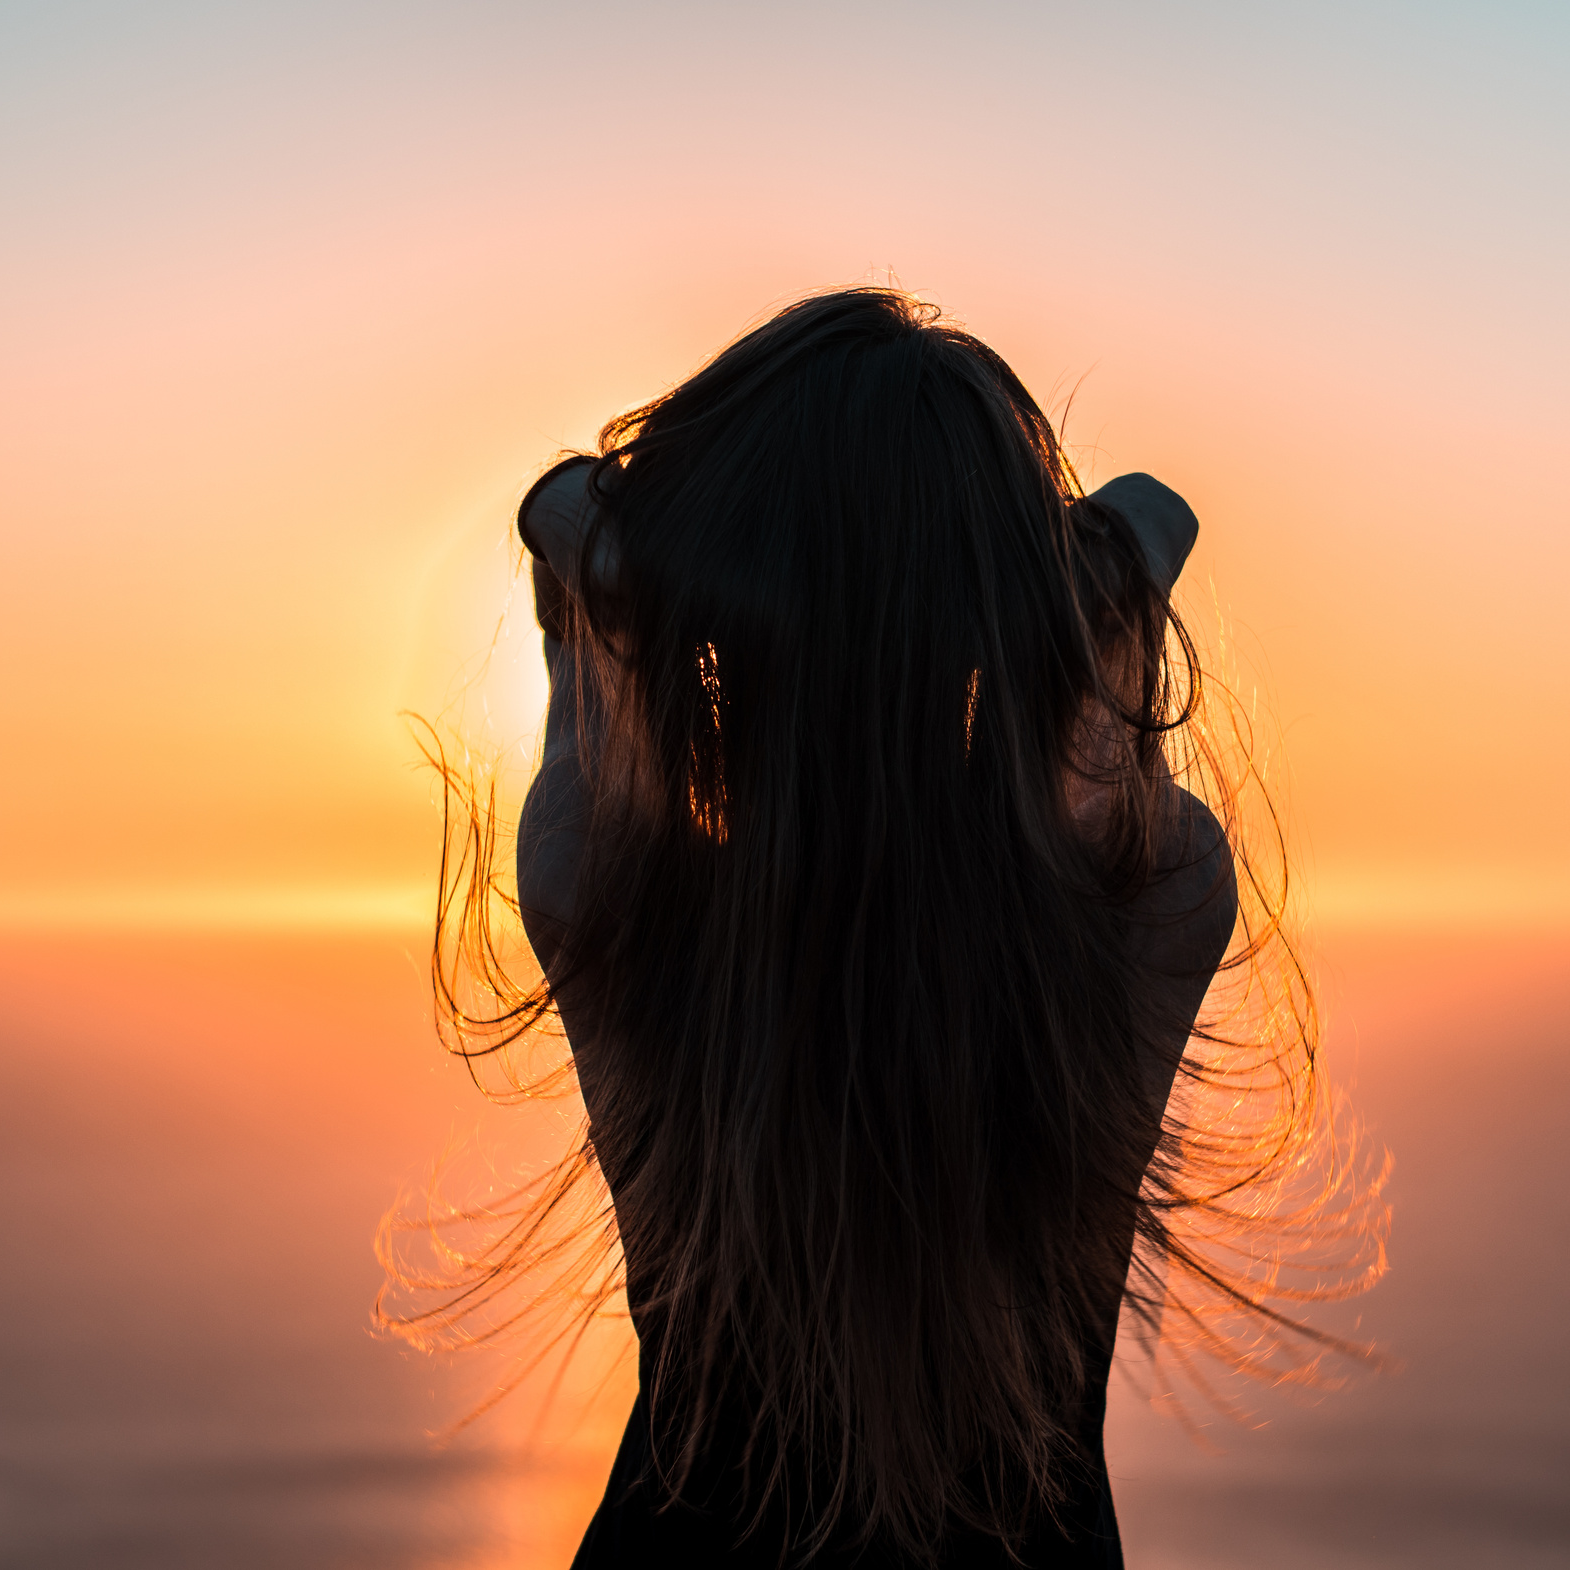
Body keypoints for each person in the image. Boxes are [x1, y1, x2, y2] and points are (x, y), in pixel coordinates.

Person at [390, 288, 1377, 1568]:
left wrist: (683, 568)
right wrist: (1031, 590)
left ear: (723, 596)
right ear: (1008, 604)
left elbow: (565, 515)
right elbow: (1155, 516)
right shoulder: (1148, 907)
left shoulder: (608, 893)